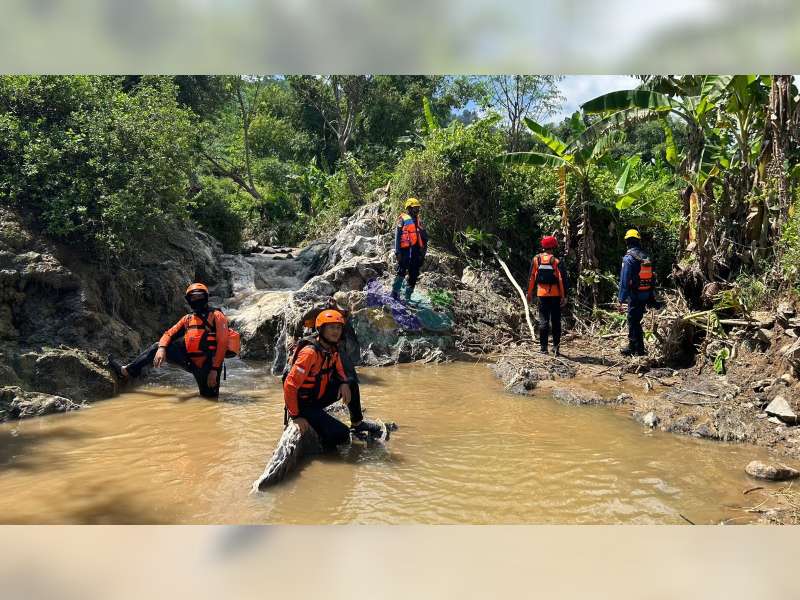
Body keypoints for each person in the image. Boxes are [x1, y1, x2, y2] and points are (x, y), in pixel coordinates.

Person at [108, 283, 237, 398]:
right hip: (189, 361)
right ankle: (126, 372)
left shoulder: (217, 315)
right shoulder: (187, 319)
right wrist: (162, 349)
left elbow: (222, 342)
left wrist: (214, 370)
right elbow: (168, 334)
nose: (197, 300)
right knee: (157, 346)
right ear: (189, 300)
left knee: (210, 400)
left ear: (206, 297)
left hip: (209, 366)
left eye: (200, 296)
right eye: (193, 297)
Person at [283, 309, 383, 449]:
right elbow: (290, 385)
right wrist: (296, 416)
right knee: (342, 434)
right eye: (331, 327)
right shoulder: (309, 353)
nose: (336, 331)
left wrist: (343, 382)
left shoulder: (332, 348)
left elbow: (339, 368)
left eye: (338, 328)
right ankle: (323, 448)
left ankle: (357, 423)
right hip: (303, 406)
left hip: (317, 397)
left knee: (351, 383)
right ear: (321, 329)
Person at [526, 235, 568, 356]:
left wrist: (529, 293)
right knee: (556, 321)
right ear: (553, 247)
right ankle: (556, 348)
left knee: (543, 321)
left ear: (543, 246)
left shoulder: (536, 259)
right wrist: (564, 296)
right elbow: (561, 280)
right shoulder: (557, 261)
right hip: (555, 295)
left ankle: (543, 349)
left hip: (541, 295)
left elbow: (531, 278)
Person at [617, 229, 655, 357]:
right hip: (646, 293)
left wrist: (621, 299)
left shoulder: (629, 258)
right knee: (636, 320)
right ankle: (637, 347)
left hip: (635, 294)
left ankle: (636, 348)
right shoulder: (645, 256)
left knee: (633, 320)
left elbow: (624, 280)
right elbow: (651, 277)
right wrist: (651, 296)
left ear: (627, 242)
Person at [391, 197, 428, 302]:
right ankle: (394, 294)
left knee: (414, 274)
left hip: (416, 251)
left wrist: (423, 254)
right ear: (409, 208)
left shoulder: (419, 221)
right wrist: (397, 252)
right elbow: (398, 236)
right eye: (415, 208)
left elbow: (425, 238)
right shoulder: (402, 219)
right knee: (401, 271)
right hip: (405, 250)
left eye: (418, 208)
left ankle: (407, 297)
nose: (417, 210)